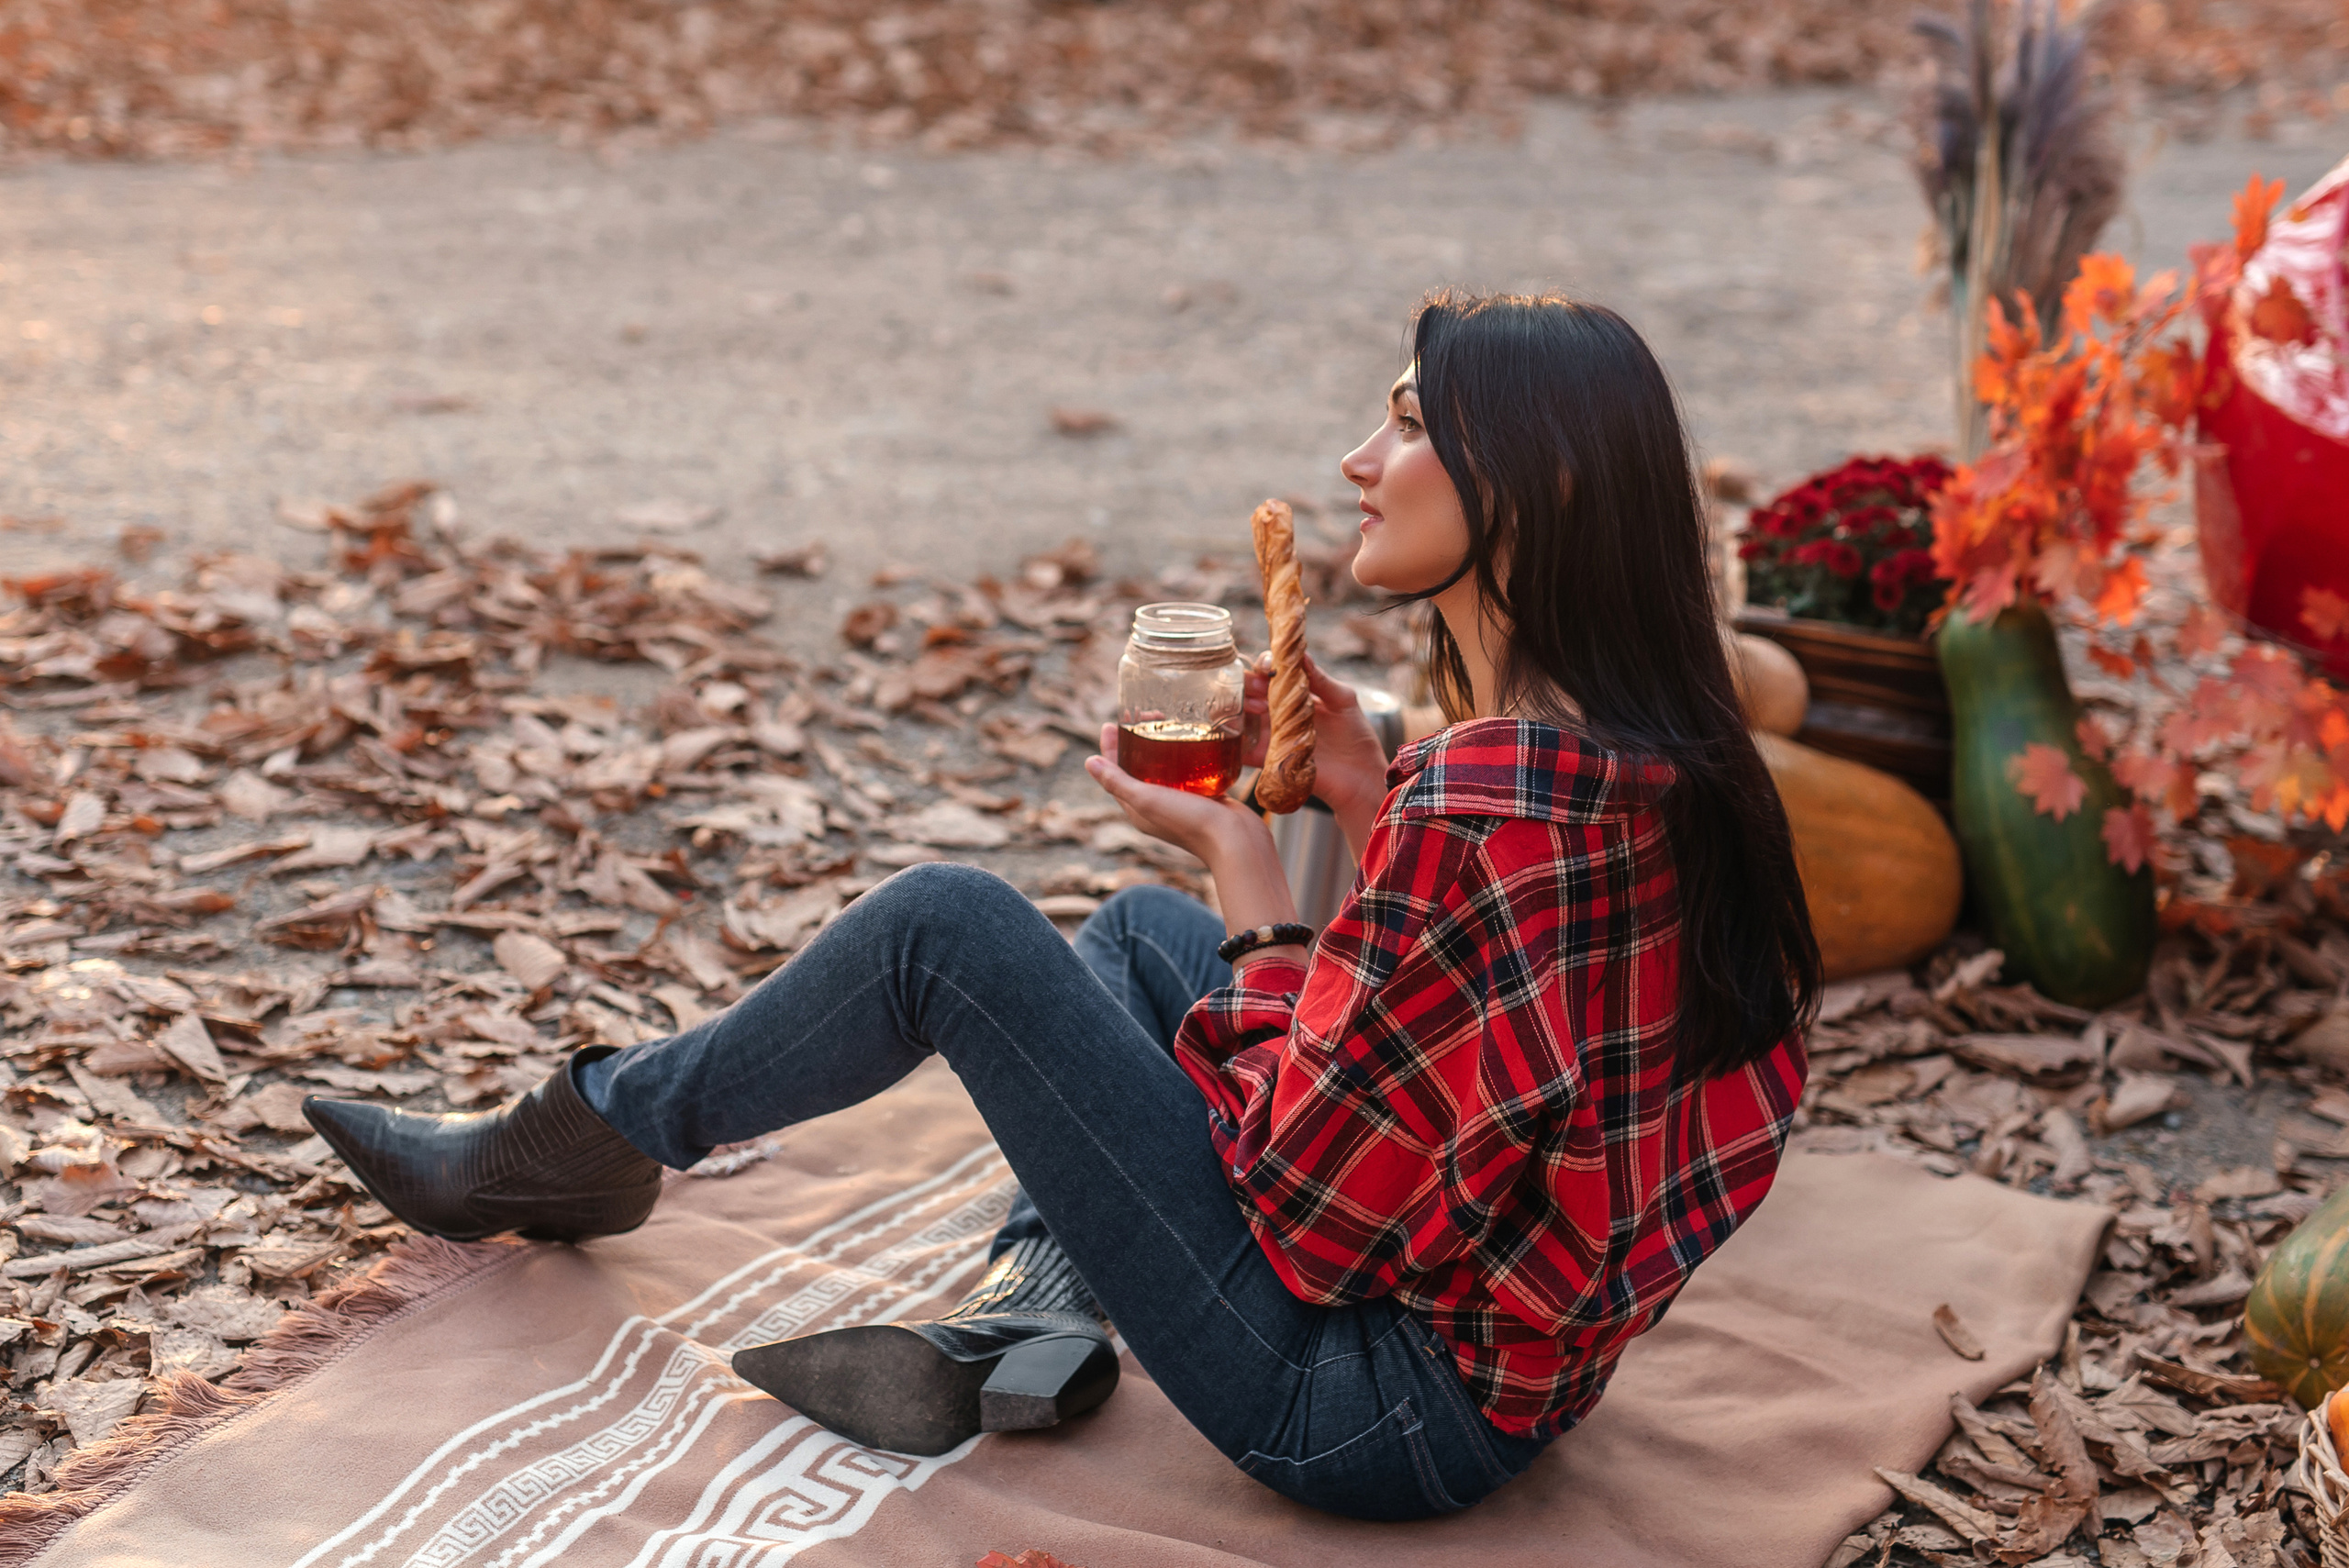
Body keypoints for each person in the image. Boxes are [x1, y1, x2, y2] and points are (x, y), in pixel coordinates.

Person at [304, 288, 1820, 1523]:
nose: (1360, 457)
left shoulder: (1483, 812)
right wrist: (1364, 800)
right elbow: (1494, 1064)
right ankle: (1039, 1303)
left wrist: (1246, 871)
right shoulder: (1654, 761)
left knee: (950, 929)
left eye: (1413, 424)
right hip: (1523, 1373)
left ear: (1545, 485)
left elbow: (1309, 1218)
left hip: (1362, 1417)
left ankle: (583, 1136)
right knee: (1137, 942)